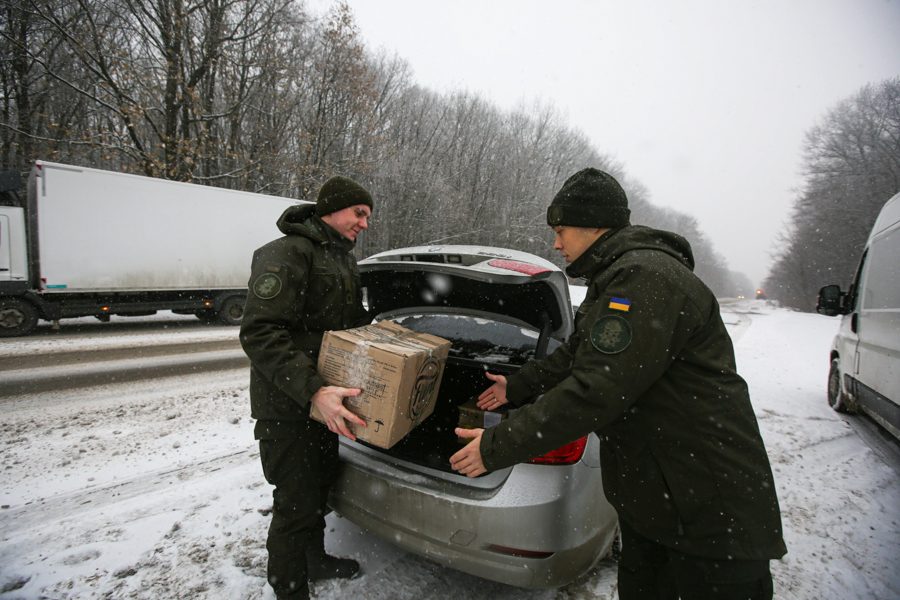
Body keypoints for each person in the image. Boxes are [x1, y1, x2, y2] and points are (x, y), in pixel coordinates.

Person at [451, 168, 787, 600]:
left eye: (560, 231)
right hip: (660, 503)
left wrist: (497, 445)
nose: (556, 244)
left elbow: (597, 389)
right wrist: (515, 387)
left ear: (593, 224)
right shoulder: (618, 277)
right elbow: (578, 354)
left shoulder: (646, 278)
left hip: (707, 513)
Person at [240, 175, 374, 599]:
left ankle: (314, 560)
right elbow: (260, 333)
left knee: (319, 491)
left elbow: (346, 325)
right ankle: (289, 589)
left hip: (324, 403)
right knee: (294, 506)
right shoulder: (287, 253)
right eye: (359, 213)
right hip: (288, 405)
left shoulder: (343, 259)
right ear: (332, 208)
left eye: (368, 216)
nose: (364, 224)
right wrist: (314, 388)